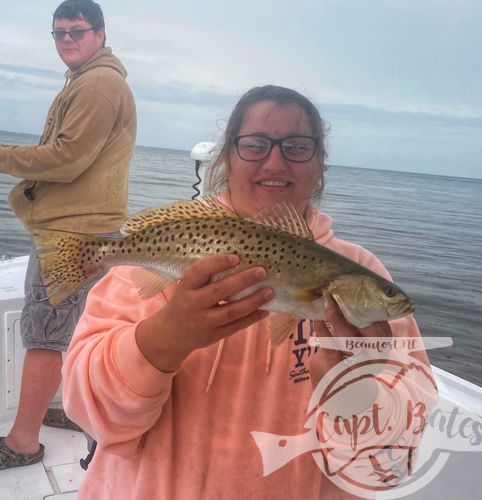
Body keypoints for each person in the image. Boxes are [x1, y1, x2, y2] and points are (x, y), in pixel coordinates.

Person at [62, 85, 435, 498]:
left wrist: (356, 395)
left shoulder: (364, 272)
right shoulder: (154, 264)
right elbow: (86, 413)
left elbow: (391, 463)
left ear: (319, 163)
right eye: (255, 144)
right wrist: (165, 337)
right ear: (227, 156)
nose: (275, 160)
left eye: (296, 146)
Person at [0, 0, 136, 470]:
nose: (67, 40)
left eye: (77, 31)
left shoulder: (98, 85)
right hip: (89, 229)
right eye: (58, 33)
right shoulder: (92, 81)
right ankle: (79, 411)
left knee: (44, 334)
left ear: (100, 33)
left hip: (72, 233)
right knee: (77, 329)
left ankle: (22, 443)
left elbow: (66, 159)